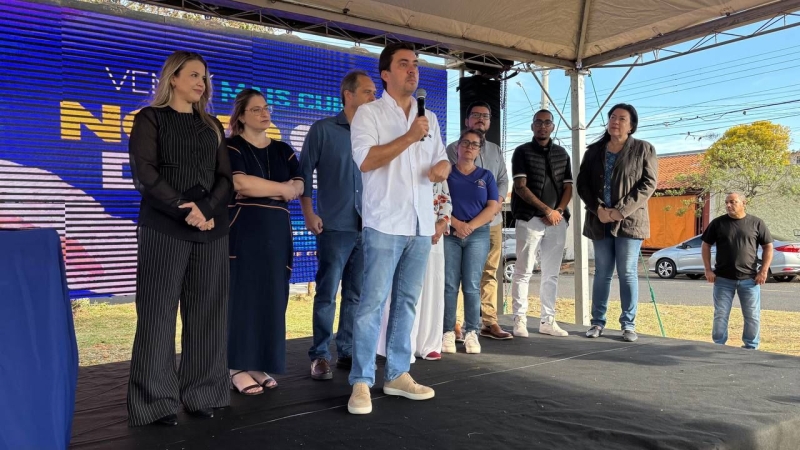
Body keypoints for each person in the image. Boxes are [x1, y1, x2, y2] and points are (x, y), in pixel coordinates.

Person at [127, 51, 232, 427]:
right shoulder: (150, 118)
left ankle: (203, 394)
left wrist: (207, 209)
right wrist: (186, 209)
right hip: (164, 227)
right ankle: (155, 402)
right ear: (173, 78)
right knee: (157, 314)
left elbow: (226, 179)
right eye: (194, 75)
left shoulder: (212, 125)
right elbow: (144, 173)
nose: (202, 82)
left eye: (205, 77)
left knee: (208, 314)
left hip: (211, 229)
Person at [348, 42, 450, 415]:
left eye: (416, 64)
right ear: (386, 74)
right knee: (372, 304)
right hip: (385, 223)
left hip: (421, 224)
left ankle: (397, 374)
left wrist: (443, 168)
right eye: (404, 64)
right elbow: (366, 160)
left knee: (406, 302)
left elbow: (442, 160)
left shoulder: (430, 118)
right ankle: (361, 380)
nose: (413, 70)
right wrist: (409, 136)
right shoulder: (369, 114)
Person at [300, 71, 377, 381]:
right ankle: (320, 355)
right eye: (368, 92)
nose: (374, 97)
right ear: (349, 94)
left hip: (367, 227)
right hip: (334, 226)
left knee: (355, 295)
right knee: (327, 293)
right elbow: (304, 172)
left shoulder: (375, 134)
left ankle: (346, 349)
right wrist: (308, 213)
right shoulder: (323, 130)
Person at [226, 89, 304, 395]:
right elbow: (240, 183)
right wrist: (281, 189)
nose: (264, 113)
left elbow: (299, 184)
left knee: (272, 297)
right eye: (256, 109)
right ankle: (235, 367)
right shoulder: (232, 146)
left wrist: (276, 188)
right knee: (243, 297)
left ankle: (258, 363)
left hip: (277, 232)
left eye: (266, 107)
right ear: (241, 116)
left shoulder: (283, 149)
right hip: (244, 231)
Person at [576, 103, 657, 342]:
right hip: (599, 220)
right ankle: (597, 322)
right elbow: (582, 184)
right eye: (612, 117)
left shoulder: (643, 149)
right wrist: (598, 209)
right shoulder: (594, 151)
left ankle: (628, 324)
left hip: (630, 222)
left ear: (631, 126)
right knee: (602, 272)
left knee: (627, 272)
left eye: (622, 118)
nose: (616, 121)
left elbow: (648, 184)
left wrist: (621, 211)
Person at [446, 102, 511, 341]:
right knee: (453, 279)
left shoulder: (495, 150)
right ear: (467, 121)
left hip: (489, 223)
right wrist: (461, 224)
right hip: (457, 226)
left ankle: (488, 322)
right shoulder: (453, 148)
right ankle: (453, 325)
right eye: (476, 115)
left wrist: (495, 204)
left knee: (489, 273)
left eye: (485, 116)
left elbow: (503, 179)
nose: (481, 119)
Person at [510, 110, 573, 338]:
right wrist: (546, 210)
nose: (543, 126)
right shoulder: (521, 152)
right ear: (532, 126)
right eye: (538, 122)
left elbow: (568, 187)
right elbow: (520, 187)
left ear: (553, 127)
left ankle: (548, 321)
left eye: (547, 123)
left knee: (551, 274)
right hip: (529, 219)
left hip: (557, 221)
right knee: (523, 271)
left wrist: (558, 211)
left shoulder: (562, 153)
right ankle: (519, 319)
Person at [378, 181, 452, 362]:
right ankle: (401, 346)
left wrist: (442, 222)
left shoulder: (437, 164)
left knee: (431, 283)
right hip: (400, 226)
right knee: (402, 287)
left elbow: (445, 198)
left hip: (433, 230)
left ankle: (428, 344)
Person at [442, 129, 499, 354]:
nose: (469, 147)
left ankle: (472, 332)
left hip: (477, 235)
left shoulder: (486, 176)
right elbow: (438, 200)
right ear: (457, 147)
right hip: (450, 233)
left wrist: (470, 227)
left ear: (479, 150)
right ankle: (448, 331)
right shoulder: (447, 173)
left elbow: (492, 207)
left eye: (474, 144)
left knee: (472, 285)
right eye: (465, 143)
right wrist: (457, 224)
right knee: (449, 285)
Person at [701, 193, 773, 350]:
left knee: (752, 315)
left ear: (743, 203)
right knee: (721, 314)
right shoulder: (718, 223)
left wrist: (763, 271)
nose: (728, 205)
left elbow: (768, 246)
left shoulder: (756, 223)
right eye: (727, 202)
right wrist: (708, 270)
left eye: (733, 202)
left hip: (750, 280)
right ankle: (719, 346)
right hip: (723, 279)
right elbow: (706, 245)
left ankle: (751, 347)